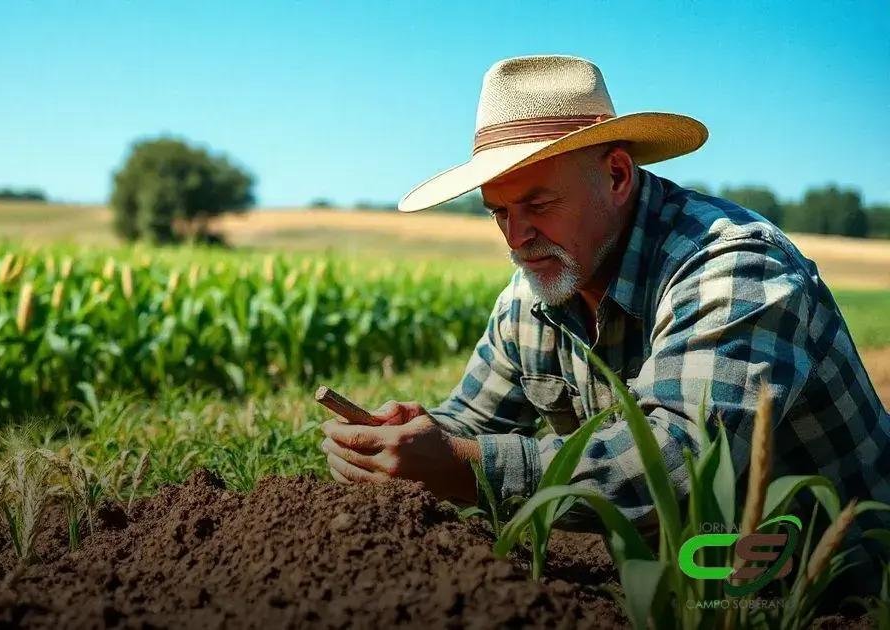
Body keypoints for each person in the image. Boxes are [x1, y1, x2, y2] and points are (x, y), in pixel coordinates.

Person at [319, 55, 889, 586]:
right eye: (500, 212)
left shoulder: (734, 267)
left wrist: (461, 467)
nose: (517, 239)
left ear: (617, 176)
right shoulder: (533, 295)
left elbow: (677, 463)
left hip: (839, 586)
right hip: (698, 580)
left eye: (538, 205)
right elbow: (469, 426)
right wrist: (407, 437)